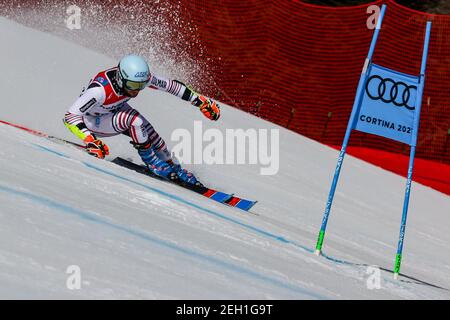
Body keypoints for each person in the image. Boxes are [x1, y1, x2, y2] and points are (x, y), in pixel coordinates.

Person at [63, 54, 220, 185]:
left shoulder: (135, 78)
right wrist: (90, 140)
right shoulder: (99, 91)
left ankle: (175, 168)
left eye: (141, 85)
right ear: (120, 79)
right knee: (135, 121)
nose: (137, 90)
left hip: (113, 111)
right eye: (132, 85)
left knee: (151, 134)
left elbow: (171, 86)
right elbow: (70, 117)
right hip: (92, 122)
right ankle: (152, 162)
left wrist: (200, 101)